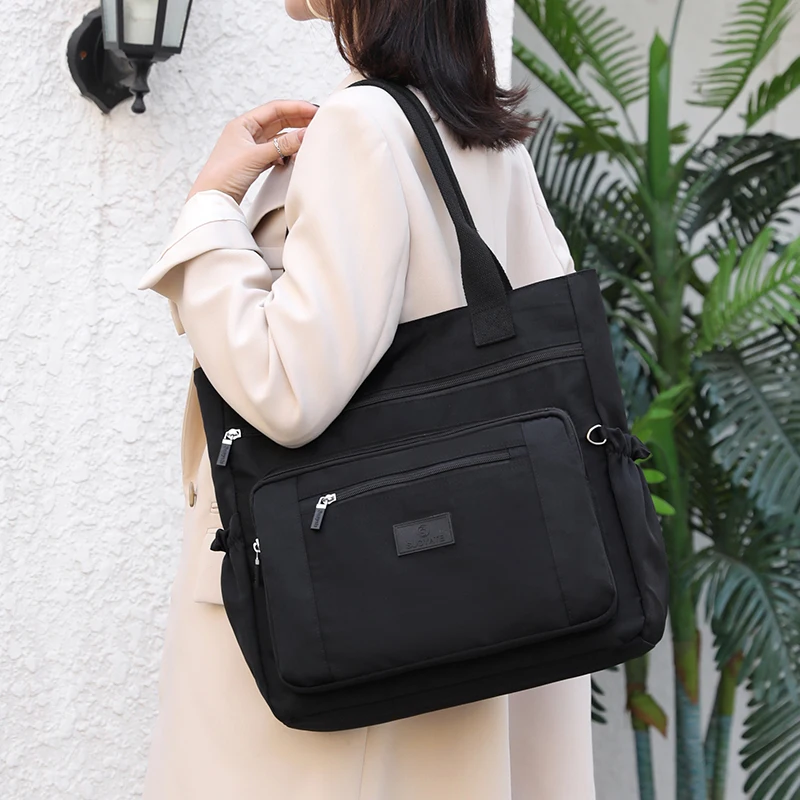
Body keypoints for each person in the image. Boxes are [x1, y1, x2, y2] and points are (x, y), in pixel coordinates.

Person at [138, 0, 595, 797]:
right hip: (475, 609)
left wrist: (209, 208)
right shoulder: (486, 141)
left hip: (345, 636)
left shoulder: (362, 128)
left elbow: (287, 390)